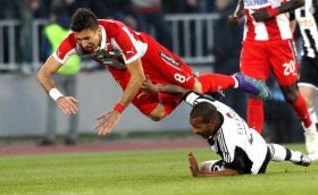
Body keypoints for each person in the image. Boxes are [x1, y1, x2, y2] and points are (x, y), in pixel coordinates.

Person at [37, 8, 269, 136]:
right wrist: (58, 97)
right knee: (157, 114)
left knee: (195, 86)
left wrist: (117, 110)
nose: (84, 44)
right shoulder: (72, 42)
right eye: (79, 39)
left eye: (87, 38)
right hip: (120, 67)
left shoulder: (119, 34)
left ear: (98, 30)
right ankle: (182, 91)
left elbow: (138, 76)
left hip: (149, 56)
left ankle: (236, 80)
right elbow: (44, 73)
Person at [141, 80, 311, 177]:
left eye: (198, 127)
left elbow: (236, 170)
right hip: (257, 143)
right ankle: (301, 158)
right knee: (268, 150)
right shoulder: (207, 104)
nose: (195, 131)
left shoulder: (227, 140)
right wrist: (157, 88)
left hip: (251, 168)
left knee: (207, 166)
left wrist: (201, 175)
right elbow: (182, 91)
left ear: (212, 124)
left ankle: (297, 157)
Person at [229, 0, 318, 157]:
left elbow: (299, 1)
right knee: (254, 90)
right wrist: (236, 15)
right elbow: (243, 3)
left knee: (291, 94)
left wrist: (271, 13)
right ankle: (253, 145)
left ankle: (310, 129)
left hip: (280, 41)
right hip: (253, 43)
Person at [40, 7, 81, 145]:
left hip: (56, 70)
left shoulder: (50, 30)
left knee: (53, 105)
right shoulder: (74, 31)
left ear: (54, 16)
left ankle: (50, 137)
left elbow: (44, 50)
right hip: (73, 70)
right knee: (73, 105)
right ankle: (73, 136)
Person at [292, 0, 318, 160]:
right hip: (309, 57)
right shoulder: (294, 3)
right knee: (304, 102)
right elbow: (291, 28)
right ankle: (314, 142)